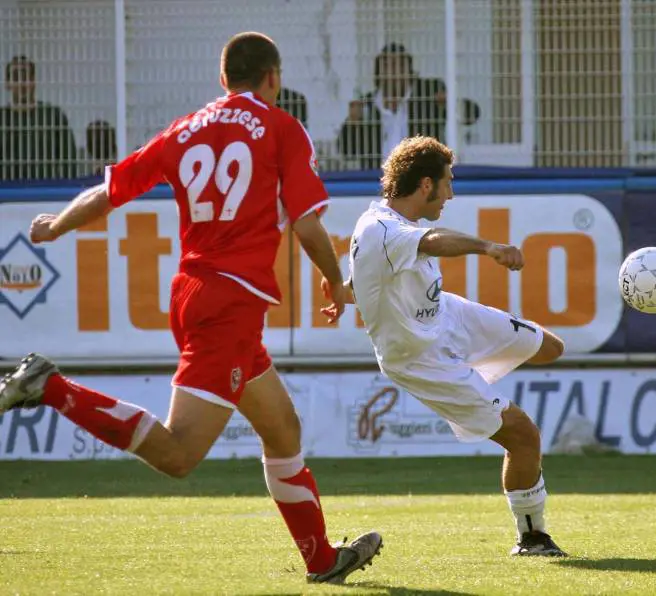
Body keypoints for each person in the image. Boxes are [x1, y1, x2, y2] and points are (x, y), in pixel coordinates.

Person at [0, 32, 381, 585]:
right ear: (273, 78)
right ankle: (49, 386)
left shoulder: (186, 129)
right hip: (230, 302)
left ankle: (322, 559)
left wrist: (55, 225)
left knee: (282, 429)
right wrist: (334, 281)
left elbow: (110, 189)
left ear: (223, 79)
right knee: (178, 455)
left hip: (198, 293)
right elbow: (305, 222)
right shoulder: (280, 128)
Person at [336, 135, 567, 557]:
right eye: (447, 182)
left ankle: (486, 388)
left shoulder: (390, 227)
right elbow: (433, 241)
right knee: (523, 436)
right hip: (419, 358)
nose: (451, 192)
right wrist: (489, 247)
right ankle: (532, 538)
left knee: (551, 347)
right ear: (425, 185)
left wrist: (345, 293)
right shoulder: (382, 228)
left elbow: (370, 280)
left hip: (446, 316)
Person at [337, 43, 480, 170]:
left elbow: (472, 115)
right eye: (388, 65)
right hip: (379, 181)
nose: (394, 72)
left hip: (422, 180)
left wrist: (452, 103)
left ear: (409, 70)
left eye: (400, 65)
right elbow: (347, 151)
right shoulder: (367, 104)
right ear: (378, 73)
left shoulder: (428, 94)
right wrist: (352, 123)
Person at [0, 55, 77, 180]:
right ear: (7, 84)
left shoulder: (53, 116)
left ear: (34, 81)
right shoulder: (2, 118)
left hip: (46, 191)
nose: (21, 83)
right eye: (16, 77)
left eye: (26, 77)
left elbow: (69, 160)